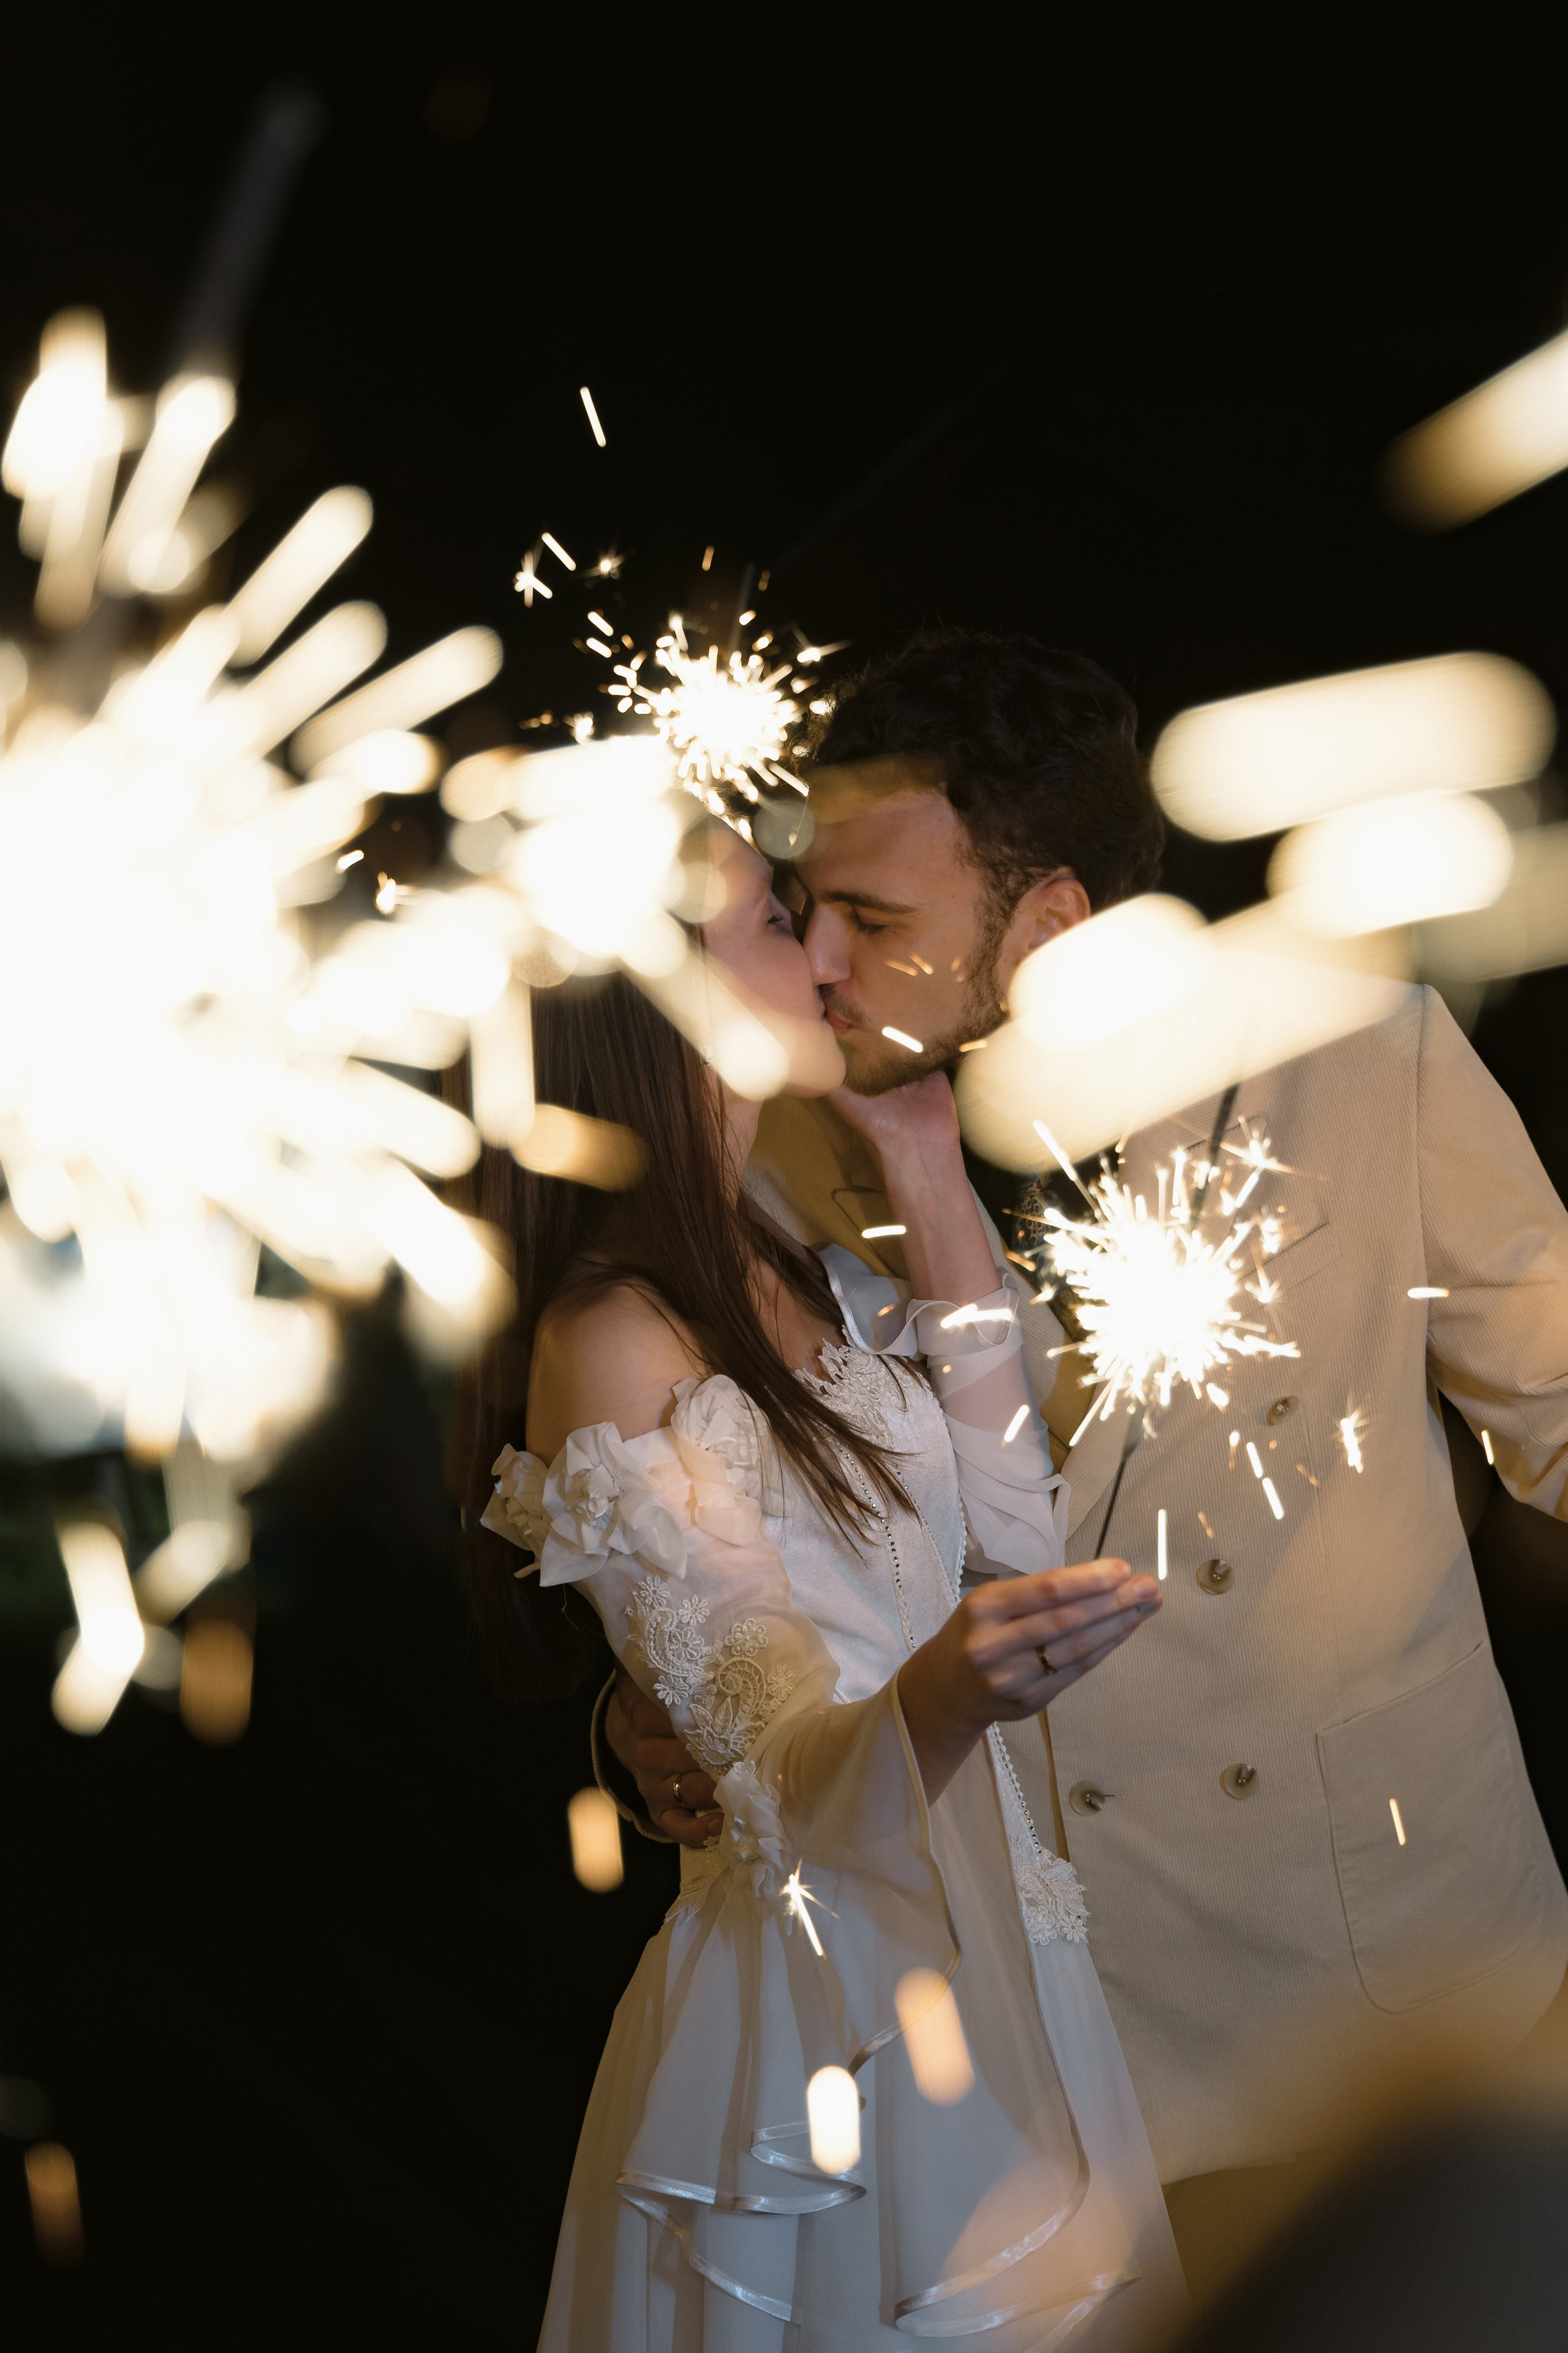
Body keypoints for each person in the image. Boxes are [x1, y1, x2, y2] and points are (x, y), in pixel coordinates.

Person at [604, 629, 1568, 2270]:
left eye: (875, 920)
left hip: (1394, 1978)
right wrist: (660, 1697)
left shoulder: (1353, 1046)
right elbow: (721, 1522)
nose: (819, 960)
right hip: (1035, 2025)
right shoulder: (768, 1158)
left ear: (1049, 922)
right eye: (808, 906)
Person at [464, 813, 1187, 2349]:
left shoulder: (799, 1260)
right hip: (821, 2025)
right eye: (781, 920)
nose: (828, 955)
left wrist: (923, 1159)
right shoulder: (612, 1339)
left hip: (996, 1942)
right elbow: (782, 1783)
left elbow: (1016, 1537)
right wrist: (941, 1695)